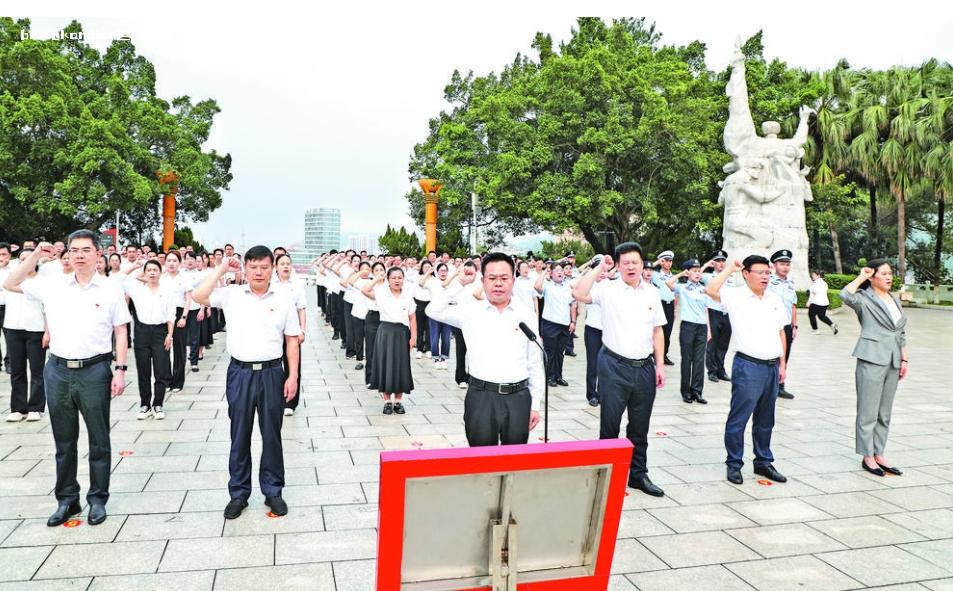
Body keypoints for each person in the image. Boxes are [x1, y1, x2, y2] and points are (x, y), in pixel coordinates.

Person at [4, 232, 130, 527]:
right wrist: (35, 254)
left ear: (98, 254)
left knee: (99, 440)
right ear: (67, 255)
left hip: (95, 370)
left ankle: (97, 499)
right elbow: (10, 283)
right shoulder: (52, 285)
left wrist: (121, 369)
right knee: (64, 441)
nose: (80, 255)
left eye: (86, 250)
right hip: (58, 370)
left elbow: (121, 330)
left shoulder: (110, 289)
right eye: (74, 251)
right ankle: (67, 499)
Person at [192, 246, 301, 520]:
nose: (259, 272)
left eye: (264, 267)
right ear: (246, 268)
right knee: (239, 435)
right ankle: (238, 494)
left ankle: (273, 490)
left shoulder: (284, 298)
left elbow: (291, 340)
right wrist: (220, 269)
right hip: (239, 373)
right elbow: (198, 295)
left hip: (272, 373)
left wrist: (293, 375)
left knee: (272, 435)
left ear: (272, 268)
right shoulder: (232, 295)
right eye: (253, 267)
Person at [573, 243, 667, 496]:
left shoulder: (652, 293)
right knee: (610, 424)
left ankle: (638, 474)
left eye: (635, 262)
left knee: (640, 426)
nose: (631, 267)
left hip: (644, 367)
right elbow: (579, 293)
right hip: (614, 366)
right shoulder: (607, 289)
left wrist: (659, 365)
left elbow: (658, 331)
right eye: (625, 263)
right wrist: (599, 268)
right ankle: (606, 475)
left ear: (642, 263)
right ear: (617, 264)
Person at [427, 253, 543, 445]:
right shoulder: (471, 311)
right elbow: (432, 310)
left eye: (504, 278)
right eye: (492, 278)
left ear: (513, 281)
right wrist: (458, 284)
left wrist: (536, 404)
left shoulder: (526, 314)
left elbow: (534, 362)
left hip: (518, 398)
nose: (498, 283)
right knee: (480, 462)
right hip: (481, 396)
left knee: (514, 462)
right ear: (483, 281)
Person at [705, 255, 789, 486]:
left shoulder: (774, 298)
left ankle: (763, 461)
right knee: (739, 418)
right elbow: (711, 290)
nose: (765, 277)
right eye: (760, 272)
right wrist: (730, 268)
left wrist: (783, 364)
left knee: (766, 419)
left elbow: (781, 332)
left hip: (771, 365)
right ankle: (734, 463)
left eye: (767, 273)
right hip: (748, 366)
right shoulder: (736, 296)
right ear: (746, 274)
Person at [841, 260, 907, 477]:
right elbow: (845, 295)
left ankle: (879, 452)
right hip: (871, 358)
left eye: (890, 273)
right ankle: (867, 456)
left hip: (893, 360)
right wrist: (862, 276)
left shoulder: (894, 299)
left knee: (884, 412)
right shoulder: (864, 298)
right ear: (873, 277)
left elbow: (901, 331)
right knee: (868, 411)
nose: (889, 277)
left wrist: (904, 359)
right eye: (884, 274)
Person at [125, 260, 175, 420]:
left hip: (161, 332)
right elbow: (121, 278)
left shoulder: (167, 291)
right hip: (142, 332)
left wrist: (170, 334)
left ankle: (158, 404)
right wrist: (136, 267)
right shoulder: (137, 290)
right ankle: (145, 404)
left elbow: (171, 314)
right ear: (144, 273)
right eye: (149, 270)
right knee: (143, 371)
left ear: (161, 272)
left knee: (161, 371)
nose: (152, 273)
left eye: (155, 270)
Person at [363, 266, 416, 414]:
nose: (397, 280)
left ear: (403, 280)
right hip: (385, 332)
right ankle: (386, 401)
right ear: (388, 280)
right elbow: (365, 290)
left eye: (400, 277)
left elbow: (412, 318)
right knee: (384, 365)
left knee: (401, 366)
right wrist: (376, 280)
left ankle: (398, 401)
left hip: (402, 333)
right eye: (393, 278)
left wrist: (413, 337)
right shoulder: (381, 293)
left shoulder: (407, 296)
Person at [4, 247, 48, 422]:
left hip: (35, 329)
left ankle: (35, 407)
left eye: (29, 259)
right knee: (17, 370)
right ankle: (18, 407)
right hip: (13, 328)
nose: (25, 262)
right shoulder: (9, 278)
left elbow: (47, 310)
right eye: (22, 259)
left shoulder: (43, 281)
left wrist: (47, 331)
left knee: (37, 370)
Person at [666, 259, 711, 404]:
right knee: (687, 360)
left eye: (699, 271)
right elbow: (669, 284)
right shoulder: (683, 287)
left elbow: (706, 309)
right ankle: (685, 392)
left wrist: (709, 329)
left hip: (702, 327)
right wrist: (681, 274)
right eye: (694, 271)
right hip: (688, 327)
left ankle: (697, 391)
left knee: (699, 360)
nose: (698, 274)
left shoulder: (704, 289)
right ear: (688, 272)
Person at [273, 253, 307, 416]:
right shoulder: (270, 284)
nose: (286, 266)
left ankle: (290, 402)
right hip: (274, 329)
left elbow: (302, 308)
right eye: (282, 264)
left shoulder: (297, 285)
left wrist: (303, 329)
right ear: (276, 267)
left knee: (292, 365)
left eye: (288, 263)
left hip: (292, 330)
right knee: (274, 364)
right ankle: (276, 396)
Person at [534, 263, 576, 387]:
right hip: (550, 324)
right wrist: (544, 272)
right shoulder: (547, 286)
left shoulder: (568, 287)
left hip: (564, 324)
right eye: (556, 270)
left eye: (561, 270)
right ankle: (549, 377)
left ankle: (558, 376)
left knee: (560, 352)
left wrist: (573, 321)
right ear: (551, 274)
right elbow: (536, 286)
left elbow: (573, 304)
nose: (560, 272)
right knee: (550, 352)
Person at [768, 249, 798, 399]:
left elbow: (793, 305)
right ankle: (768, 386)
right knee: (770, 356)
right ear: (774, 265)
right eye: (782, 264)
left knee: (784, 356)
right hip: (771, 326)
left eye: (787, 264)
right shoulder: (768, 282)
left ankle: (780, 386)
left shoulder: (791, 284)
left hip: (786, 326)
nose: (785, 267)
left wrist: (794, 326)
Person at [161, 251, 192, 392]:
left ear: (179, 263)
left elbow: (188, 299)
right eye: (169, 260)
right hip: (164, 315)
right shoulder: (161, 278)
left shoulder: (185, 279)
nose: (171, 263)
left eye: (174, 260)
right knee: (163, 348)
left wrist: (184, 317)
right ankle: (166, 380)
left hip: (180, 314)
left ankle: (178, 381)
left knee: (179, 349)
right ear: (165, 263)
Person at [702, 250, 734, 382]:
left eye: (722, 261)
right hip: (713, 312)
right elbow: (692, 276)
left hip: (727, 313)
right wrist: (705, 265)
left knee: (723, 344)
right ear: (713, 263)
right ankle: (712, 371)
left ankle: (721, 369)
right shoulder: (708, 277)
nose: (721, 263)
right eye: (718, 261)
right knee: (712, 343)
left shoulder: (730, 278)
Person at [583, 266, 609, 407]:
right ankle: (592, 394)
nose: (603, 274)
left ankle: (603, 392)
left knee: (605, 364)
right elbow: (575, 287)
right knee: (593, 363)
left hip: (608, 330)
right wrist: (591, 276)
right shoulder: (589, 285)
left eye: (605, 271)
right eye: (600, 271)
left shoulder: (611, 285)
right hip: (592, 329)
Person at [420, 262, 451, 369]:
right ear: (437, 272)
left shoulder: (451, 282)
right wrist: (428, 272)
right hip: (434, 313)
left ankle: (443, 359)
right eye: (441, 271)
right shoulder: (432, 282)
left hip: (447, 313)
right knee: (435, 336)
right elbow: (420, 283)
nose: (443, 273)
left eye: (445, 271)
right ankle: (436, 359)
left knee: (446, 337)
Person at [345, 262, 372, 371]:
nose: (366, 271)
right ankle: (360, 360)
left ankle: (370, 360)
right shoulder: (357, 280)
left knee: (370, 340)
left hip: (371, 315)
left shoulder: (373, 281)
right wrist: (360, 272)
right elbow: (350, 281)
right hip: (357, 313)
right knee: (359, 338)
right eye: (363, 269)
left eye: (367, 269)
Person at [651, 250, 677, 365]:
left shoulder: (674, 277)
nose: (668, 263)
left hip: (670, 305)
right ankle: (653, 354)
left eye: (670, 261)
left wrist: (675, 309)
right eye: (665, 261)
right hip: (659, 305)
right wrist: (657, 262)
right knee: (657, 330)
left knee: (668, 332)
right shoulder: (656, 275)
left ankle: (664, 355)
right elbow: (644, 269)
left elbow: (675, 294)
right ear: (662, 262)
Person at [362, 262, 385, 386]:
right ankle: (370, 378)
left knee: (383, 350)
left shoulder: (388, 285)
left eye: (381, 269)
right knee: (371, 348)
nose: (380, 272)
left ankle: (382, 377)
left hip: (386, 318)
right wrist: (376, 279)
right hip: (372, 317)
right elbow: (365, 291)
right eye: (376, 270)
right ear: (372, 272)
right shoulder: (370, 284)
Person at [413, 260, 433, 360]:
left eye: (429, 267)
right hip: (419, 304)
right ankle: (419, 349)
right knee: (420, 328)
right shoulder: (418, 277)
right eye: (425, 267)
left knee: (429, 328)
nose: (427, 269)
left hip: (430, 304)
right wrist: (426, 274)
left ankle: (429, 349)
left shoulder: (434, 279)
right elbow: (421, 284)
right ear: (421, 268)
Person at [808, 270, 838, 335]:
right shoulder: (824, 283)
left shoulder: (816, 283)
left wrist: (809, 302)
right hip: (824, 303)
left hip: (816, 302)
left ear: (818, 276)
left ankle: (815, 330)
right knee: (822, 316)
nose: (812, 276)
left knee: (811, 315)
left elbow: (813, 293)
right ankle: (832, 324)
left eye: (814, 275)